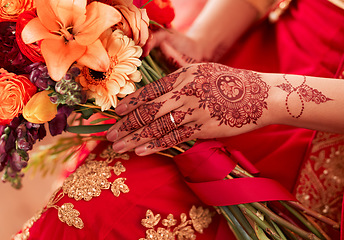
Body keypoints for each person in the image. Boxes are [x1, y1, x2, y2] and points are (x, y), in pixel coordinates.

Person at [13, 0, 344, 239]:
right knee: (91, 207)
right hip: (240, 63)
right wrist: (201, 42)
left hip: (317, 114)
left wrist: (262, 96)